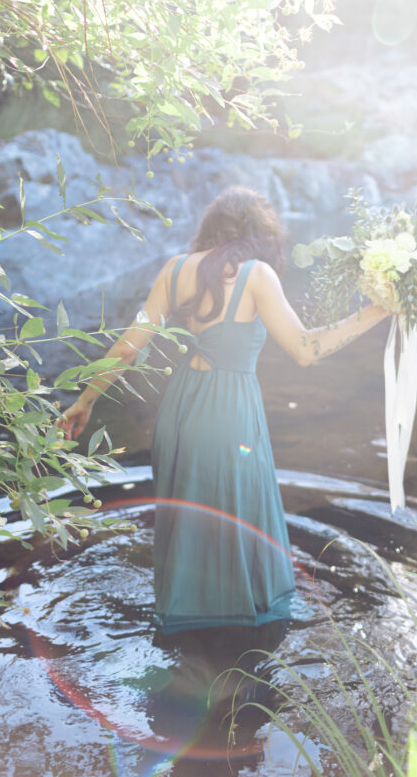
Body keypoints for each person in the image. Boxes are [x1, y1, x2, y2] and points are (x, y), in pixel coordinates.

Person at [58, 186, 390, 632]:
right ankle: (239, 628)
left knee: (188, 524)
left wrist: (85, 400)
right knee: (236, 519)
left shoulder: (174, 270)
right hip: (229, 414)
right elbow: (306, 350)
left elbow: (128, 347)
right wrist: (374, 313)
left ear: (211, 228)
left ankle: (183, 623)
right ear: (261, 232)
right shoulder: (257, 275)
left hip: (179, 412)